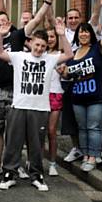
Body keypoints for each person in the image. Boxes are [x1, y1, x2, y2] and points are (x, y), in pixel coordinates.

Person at [0, 0, 62, 177]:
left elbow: (36, 20)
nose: (1, 23)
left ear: (10, 22)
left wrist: (48, 1)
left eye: (4, 20)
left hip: (18, 91)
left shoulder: (18, 35)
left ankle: (16, 164)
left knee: (16, 131)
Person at [0, 20, 73, 192]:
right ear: (30, 43)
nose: (39, 49)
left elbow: (68, 54)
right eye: (37, 45)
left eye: (43, 46)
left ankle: (37, 175)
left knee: (36, 144)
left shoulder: (50, 59)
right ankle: (9, 173)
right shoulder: (19, 56)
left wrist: (62, 35)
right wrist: (0, 35)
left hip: (40, 109)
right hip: (19, 106)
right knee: (14, 142)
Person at [65, 14, 102, 172]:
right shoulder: (73, 54)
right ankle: (85, 154)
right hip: (78, 98)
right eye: (81, 32)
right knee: (82, 127)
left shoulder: (98, 48)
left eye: (86, 31)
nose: (83, 34)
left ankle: (93, 157)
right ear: (77, 35)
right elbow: (67, 74)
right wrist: (62, 72)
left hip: (98, 97)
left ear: (91, 34)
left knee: (93, 126)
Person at [45, 24, 66, 176]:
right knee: (37, 132)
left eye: (52, 36)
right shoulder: (39, 53)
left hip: (56, 94)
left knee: (52, 131)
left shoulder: (61, 54)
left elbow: (66, 75)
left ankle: (53, 163)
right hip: (40, 96)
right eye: (47, 37)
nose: (50, 39)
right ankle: (35, 161)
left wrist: (63, 72)